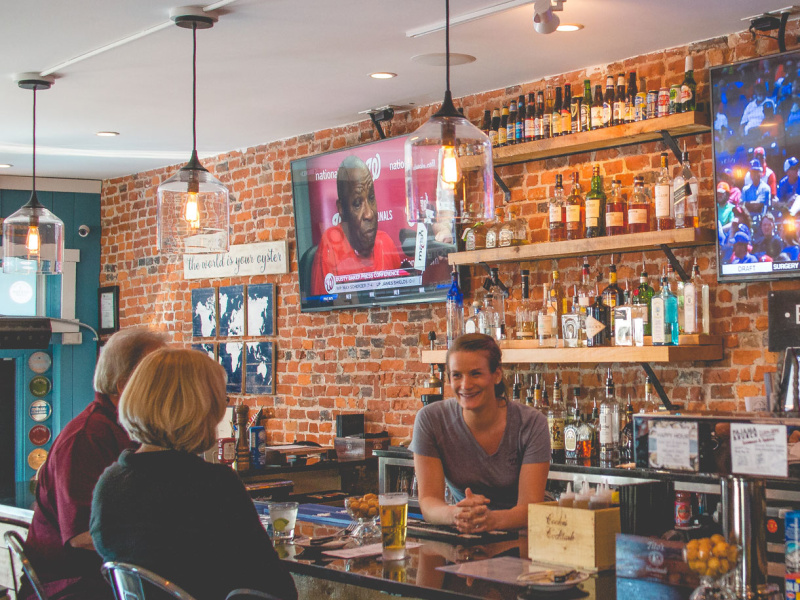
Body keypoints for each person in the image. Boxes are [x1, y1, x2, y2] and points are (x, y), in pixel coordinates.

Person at [90, 348, 297, 600]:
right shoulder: (213, 484)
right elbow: (275, 587)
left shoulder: (110, 482)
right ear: (201, 408)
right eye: (221, 398)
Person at [22, 328, 168, 600]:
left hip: (112, 578)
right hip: (74, 586)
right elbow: (81, 535)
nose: (168, 387)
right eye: (157, 378)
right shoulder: (88, 437)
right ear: (125, 385)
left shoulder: (129, 430)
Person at [410, 334, 550, 533]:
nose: (465, 385)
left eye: (476, 374)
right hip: (467, 534)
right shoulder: (431, 420)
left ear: (497, 375)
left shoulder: (532, 423)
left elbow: (531, 508)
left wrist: (490, 520)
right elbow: (428, 502)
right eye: (457, 375)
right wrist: (456, 515)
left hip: (526, 537)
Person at [310, 155, 404, 296]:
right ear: (341, 208)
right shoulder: (331, 245)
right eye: (357, 204)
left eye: (371, 198)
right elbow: (325, 312)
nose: (369, 214)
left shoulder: (386, 243)